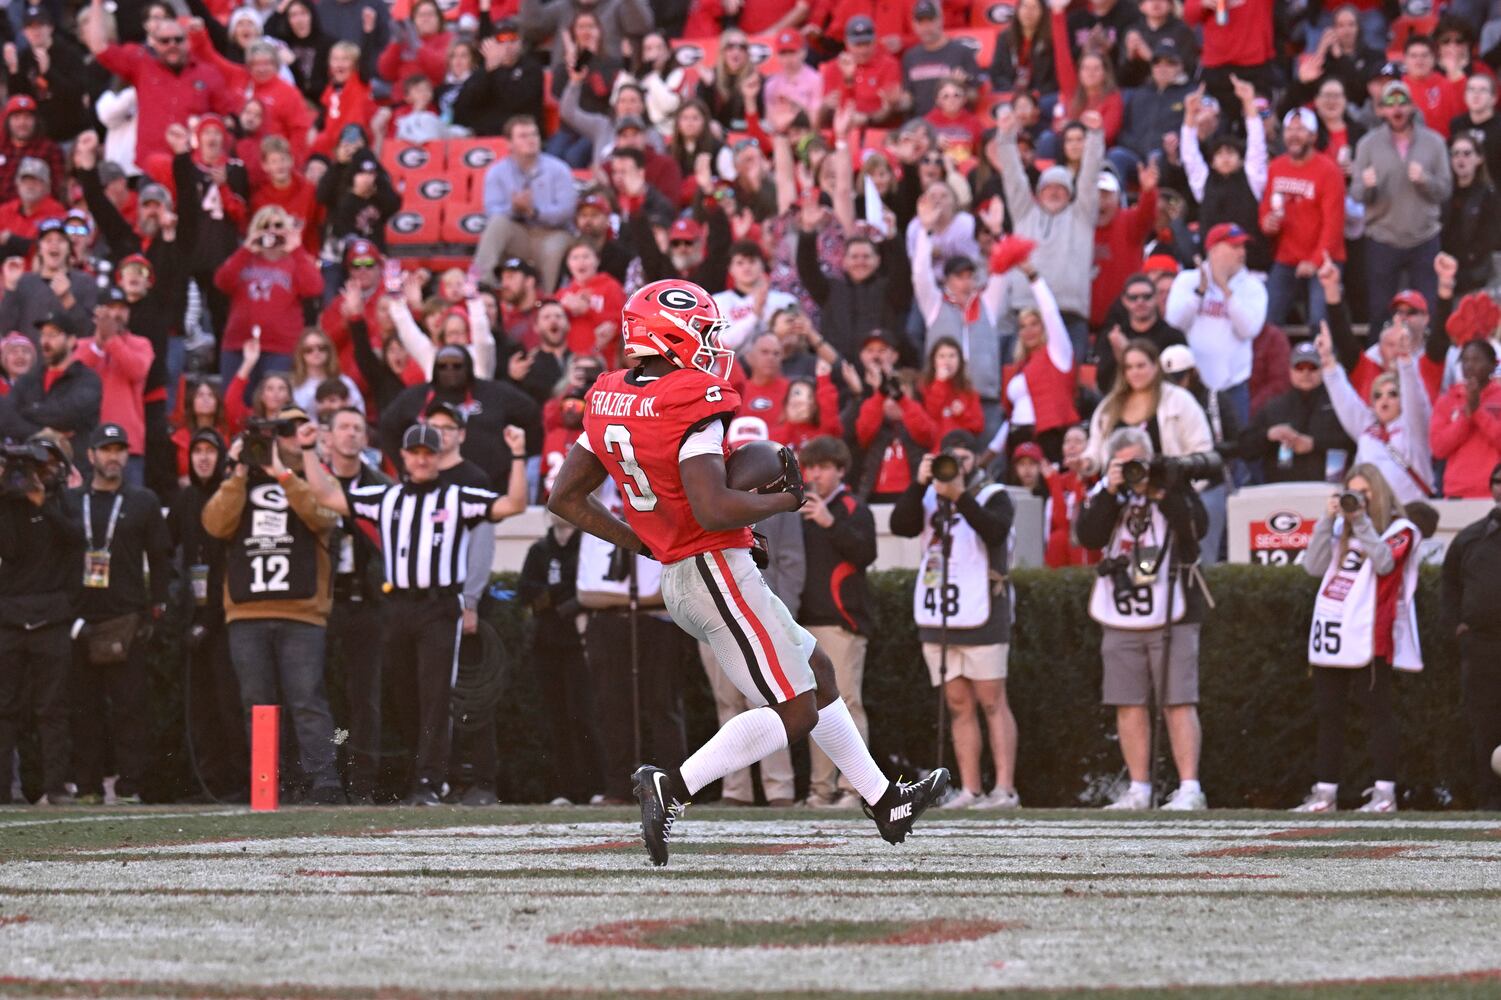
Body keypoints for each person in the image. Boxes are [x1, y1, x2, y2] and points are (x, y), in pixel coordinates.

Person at [547, 279, 950, 866]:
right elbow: (713, 507)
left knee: (818, 672)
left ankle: (885, 800)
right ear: (671, 335)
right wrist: (786, 500)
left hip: (691, 571)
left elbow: (564, 497)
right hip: (713, 571)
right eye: (703, 332)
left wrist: (648, 542)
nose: (712, 344)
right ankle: (673, 787)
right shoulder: (691, 398)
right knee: (795, 709)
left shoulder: (609, 393)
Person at [301, 421, 528, 805]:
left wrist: (519, 456)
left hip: (439, 606)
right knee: (404, 692)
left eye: (428, 453)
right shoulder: (386, 498)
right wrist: (308, 450)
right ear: (404, 456)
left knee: (436, 695)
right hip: (397, 606)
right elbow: (326, 495)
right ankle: (423, 775)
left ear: (438, 457)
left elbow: (515, 504)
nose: (422, 460)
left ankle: (429, 781)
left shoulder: (458, 498)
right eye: (415, 453)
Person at [202, 409, 346, 805]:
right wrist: (237, 472)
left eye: (292, 430)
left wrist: (283, 473)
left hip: (302, 612)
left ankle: (324, 782)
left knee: (307, 701)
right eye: (277, 432)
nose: (283, 438)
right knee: (258, 705)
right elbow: (214, 524)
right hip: (247, 612)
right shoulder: (240, 480)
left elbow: (325, 515)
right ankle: (269, 784)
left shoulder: (315, 478)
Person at [1076, 426, 1210, 811]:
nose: (1133, 470)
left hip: (1172, 608)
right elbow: (1088, 536)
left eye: (1138, 462)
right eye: (1124, 465)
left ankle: (1190, 788)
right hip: (1122, 610)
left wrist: (1161, 491)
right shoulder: (1108, 494)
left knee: (1178, 699)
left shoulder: (1173, 487)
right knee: (1127, 701)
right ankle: (1139, 788)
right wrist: (1111, 492)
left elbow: (1197, 528)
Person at [890, 430, 1019, 810]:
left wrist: (960, 495)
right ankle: (970, 788)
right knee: (958, 702)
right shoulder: (930, 495)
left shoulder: (993, 494)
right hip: (939, 611)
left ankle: (1005, 789)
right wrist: (918, 485)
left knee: (992, 700)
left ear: (976, 460)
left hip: (983, 611)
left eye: (964, 458)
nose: (957, 465)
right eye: (951, 458)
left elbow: (994, 531)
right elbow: (901, 525)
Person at [1293, 464, 1421, 814]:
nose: (1358, 499)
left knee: (1377, 712)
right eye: (1352, 492)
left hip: (1371, 632)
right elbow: (1313, 567)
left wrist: (1361, 521)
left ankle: (1385, 793)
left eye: (1365, 492)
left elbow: (1384, 563)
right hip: (1332, 632)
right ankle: (1325, 793)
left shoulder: (1401, 529)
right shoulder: (1340, 529)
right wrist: (1326, 520)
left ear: (1379, 493)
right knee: (1328, 713)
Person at [692, 419, 802, 807]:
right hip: (718, 612)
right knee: (728, 702)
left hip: (760, 612)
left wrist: (781, 615)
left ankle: (779, 787)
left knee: (772, 701)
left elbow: (791, 565)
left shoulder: (779, 505)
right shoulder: (708, 500)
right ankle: (735, 788)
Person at [65, 425, 169, 804]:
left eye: (120, 449)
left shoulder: (143, 500)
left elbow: (160, 558)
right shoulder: (70, 501)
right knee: (83, 708)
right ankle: (87, 787)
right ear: (90, 455)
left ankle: (130, 786)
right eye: (106, 449)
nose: (113, 456)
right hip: (78, 619)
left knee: (130, 709)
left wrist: (156, 608)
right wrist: (64, 613)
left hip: (126, 618)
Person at [793, 435, 878, 808]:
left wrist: (831, 523)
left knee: (846, 702)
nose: (816, 475)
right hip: (803, 623)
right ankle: (821, 788)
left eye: (824, 467)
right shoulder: (797, 510)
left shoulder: (853, 508)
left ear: (841, 470)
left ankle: (855, 787)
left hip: (842, 623)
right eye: (810, 467)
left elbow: (865, 554)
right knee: (817, 709)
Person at [314, 406, 389, 803]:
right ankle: (325, 779)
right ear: (327, 437)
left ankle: (363, 785)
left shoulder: (382, 486)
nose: (351, 434)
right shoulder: (312, 483)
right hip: (323, 604)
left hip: (367, 603)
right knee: (320, 696)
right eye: (343, 427)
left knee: (365, 699)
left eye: (358, 427)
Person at [0, 433, 80, 804]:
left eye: (46, 463)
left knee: (53, 710)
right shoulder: (7, 502)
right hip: (10, 617)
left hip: (52, 618)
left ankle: (55, 788)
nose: (38, 471)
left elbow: (78, 539)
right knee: (5, 709)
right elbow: (9, 549)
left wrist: (43, 504)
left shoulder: (64, 501)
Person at [1350, 80, 1453, 326]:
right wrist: (1367, 186)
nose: (1397, 109)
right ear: (1381, 110)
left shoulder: (1435, 142)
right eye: (1390, 103)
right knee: (1380, 311)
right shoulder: (1367, 144)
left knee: (1428, 310)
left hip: (1424, 238)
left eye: (1402, 102)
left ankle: (1426, 350)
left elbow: (1445, 190)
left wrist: (1426, 181)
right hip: (1382, 239)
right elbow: (1356, 194)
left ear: (1412, 106)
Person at [1317, 325, 1435, 504]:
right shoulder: (1366, 427)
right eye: (1378, 396)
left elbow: (1415, 396)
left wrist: (1405, 360)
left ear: (1402, 398)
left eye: (1392, 394)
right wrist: (1327, 360)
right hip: (1372, 512)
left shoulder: (1414, 426)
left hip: (1412, 511)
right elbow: (1344, 399)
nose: (1384, 399)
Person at [1165, 223, 1267, 426]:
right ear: (1213, 250)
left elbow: (1248, 330)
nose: (1241, 252)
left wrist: (1226, 291)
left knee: (1235, 443)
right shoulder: (1187, 280)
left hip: (1233, 386)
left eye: (1243, 246)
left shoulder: (1253, 286)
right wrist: (1200, 293)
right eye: (1234, 247)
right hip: (1190, 383)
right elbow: (1174, 323)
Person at [1441, 464, 1501, 810]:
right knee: (1485, 723)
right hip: (1482, 647)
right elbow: (1449, 585)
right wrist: (1455, 627)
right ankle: (1491, 797)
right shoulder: (1470, 538)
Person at [1262, 108, 1348, 328]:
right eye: (1289, 130)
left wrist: (1315, 261)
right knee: (1266, 320)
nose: (1293, 135)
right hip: (1286, 258)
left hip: (1325, 258)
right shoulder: (1276, 167)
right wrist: (1267, 223)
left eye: (1300, 130)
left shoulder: (1329, 170)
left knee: (1320, 321)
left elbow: (1334, 225)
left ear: (1313, 136)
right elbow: (1265, 210)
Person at [472, 116, 578, 291]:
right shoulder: (496, 172)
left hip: (553, 233)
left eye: (534, 134)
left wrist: (535, 211)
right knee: (498, 223)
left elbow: (566, 211)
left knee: (553, 247)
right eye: (523, 136)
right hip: (518, 233)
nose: (531, 139)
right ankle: (481, 285)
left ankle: (547, 298)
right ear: (509, 143)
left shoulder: (559, 169)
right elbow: (491, 211)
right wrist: (514, 209)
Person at [1239, 341, 1355, 483]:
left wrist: (1314, 444)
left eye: (1312, 367)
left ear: (1322, 369)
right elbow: (1244, 447)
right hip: (1283, 491)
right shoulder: (1274, 406)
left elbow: (1355, 440)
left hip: (1329, 488)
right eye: (1299, 367)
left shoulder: (1339, 403)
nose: (1306, 373)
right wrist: (1268, 435)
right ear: (1290, 370)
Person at [74, 286, 153, 487]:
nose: (117, 314)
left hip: (129, 443)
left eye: (122, 308)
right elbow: (75, 375)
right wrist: (99, 344)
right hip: (89, 443)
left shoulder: (141, 344)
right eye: (111, 308)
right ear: (98, 313)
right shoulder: (82, 346)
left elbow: (137, 370)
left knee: (132, 503)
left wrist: (111, 340)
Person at [1430, 340, 1501, 498]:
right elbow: (1438, 449)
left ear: (1493, 365)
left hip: (1494, 492)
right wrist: (1467, 416)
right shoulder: (1447, 400)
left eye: (1476, 360)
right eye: (1465, 360)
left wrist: (1478, 412)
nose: (1469, 365)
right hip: (1457, 492)